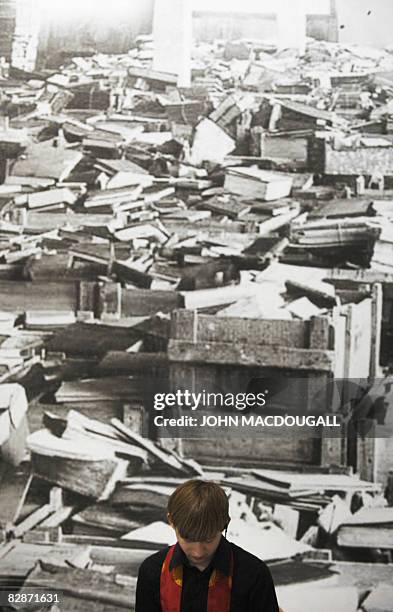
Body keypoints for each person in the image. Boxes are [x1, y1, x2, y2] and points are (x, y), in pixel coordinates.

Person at [135, 479, 280, 612]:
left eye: (208, 539)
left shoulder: (254, 574)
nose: (198, 552)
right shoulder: (152, 571)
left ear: (225, 523)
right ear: (171, 521)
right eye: (188, 539)